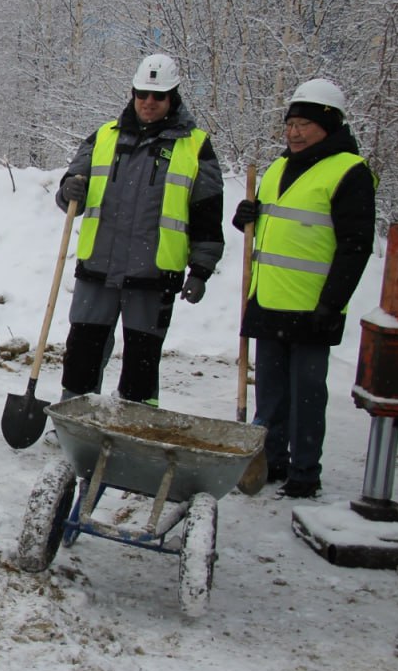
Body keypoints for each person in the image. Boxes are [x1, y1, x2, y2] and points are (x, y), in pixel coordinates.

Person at [232, 78, 377, 498]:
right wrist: (246, 215)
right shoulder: (277, 167)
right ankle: (271, 459)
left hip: (314, 306)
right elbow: (269, 225)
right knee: (271, 393)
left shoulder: (349, 173)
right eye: (290, 124)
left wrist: (333, 302)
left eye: (304, 125)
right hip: (270, 298)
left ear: (328, 126)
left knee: (308, 394)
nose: (294, 132)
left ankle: (304, 472)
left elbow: (355, 246)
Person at [54, 53, 224, 405]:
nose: (149, 102)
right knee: (83, 351)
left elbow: (207, 215)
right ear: (132, 93)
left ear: (172, 98)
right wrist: (68, 188)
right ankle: (73, 420)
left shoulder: (195, 147)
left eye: (158, 96)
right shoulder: (104, 137)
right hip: (97, 267)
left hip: (154, 273)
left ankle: (137, 428)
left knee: (142, 362)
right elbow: (73, 191)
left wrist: (201, 270)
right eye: (142, 94)